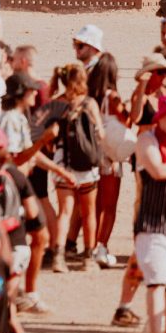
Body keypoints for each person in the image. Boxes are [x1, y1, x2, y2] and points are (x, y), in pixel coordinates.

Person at [49, 61, 105, 272]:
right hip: (86, 163)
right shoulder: (90, 103)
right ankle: (88, 258)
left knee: (64, 211)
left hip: (63, 161)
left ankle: (58, 257)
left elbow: (48, 135)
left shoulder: (57, 103)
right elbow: (101, 134)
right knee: (88, 212)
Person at [133, 91, 166, 333]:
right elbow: (158, 171)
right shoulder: (147, 140)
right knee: (156, 281)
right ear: (159, 118)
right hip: (153, 223)